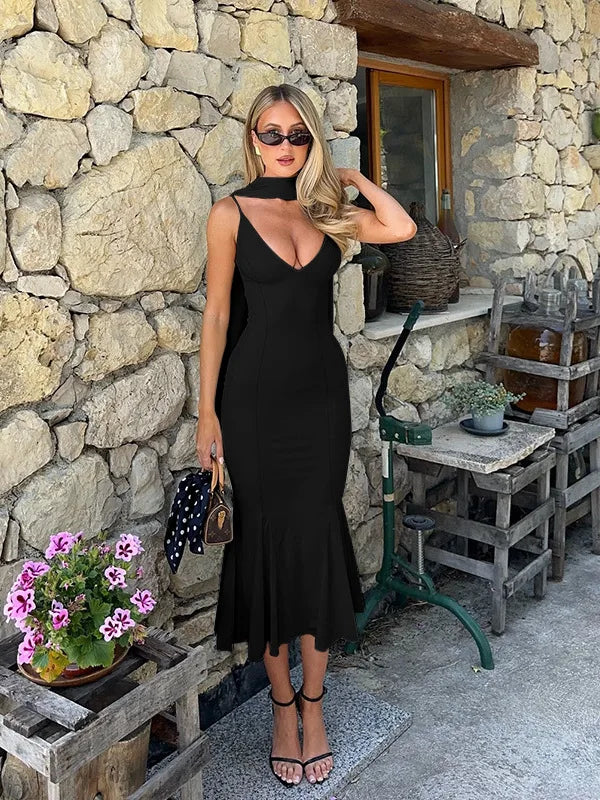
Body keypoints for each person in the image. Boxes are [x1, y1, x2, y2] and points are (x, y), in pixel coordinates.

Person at [196, 83, 417, 788]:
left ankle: (314, 707)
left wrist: (350, 176)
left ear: (311, 140)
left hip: (320, 403)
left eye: (299, 134)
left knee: (319, 542)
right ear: (252, 139)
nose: (285, 146)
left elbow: (401, 228)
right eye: (272, 133)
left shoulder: (328, 212)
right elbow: (216, 316)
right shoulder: (229, 213)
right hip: (253, 405)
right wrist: (207, 415)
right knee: (263, 549)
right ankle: (281, 709)